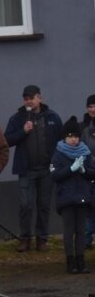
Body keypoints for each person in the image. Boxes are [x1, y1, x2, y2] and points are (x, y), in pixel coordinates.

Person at [5, 85, 64, 252]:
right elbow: (7, 140)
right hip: (27, 170)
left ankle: (42, 239)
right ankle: (25, 238)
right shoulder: (17, 118)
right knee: (26, 205)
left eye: (32, 98)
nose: (29, 101)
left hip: (47, 169)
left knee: (44, 205)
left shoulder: (52, 117)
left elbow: (61, 141)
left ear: (40, 98)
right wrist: (23, 131)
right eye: (26, 98)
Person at [51, 117, 95, 273]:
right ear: (64, 137)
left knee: (81, 231)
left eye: (75, 136)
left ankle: (81, 261)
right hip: (67, 198)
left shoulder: (85, 152)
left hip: (83, 196)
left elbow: (92, 171)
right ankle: (70, 262)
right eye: (70, 136)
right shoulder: (58, 153)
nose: (73, 139)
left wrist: (85, 171)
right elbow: (55, 175)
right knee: (69, 231)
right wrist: (71, 169)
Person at [81, 94, 95, 249]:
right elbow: (82, 150)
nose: (93, 109)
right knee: (88, 210)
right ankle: (86, 239)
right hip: (88, 174)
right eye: (90, 106)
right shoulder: (83, 128)